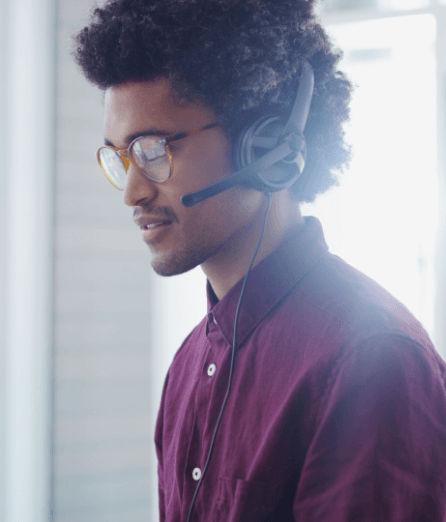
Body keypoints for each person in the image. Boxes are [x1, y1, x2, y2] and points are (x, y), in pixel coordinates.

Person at [74, 0, 446, 520]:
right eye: (122, 157)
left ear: (265, 146)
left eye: (153, 148)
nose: (132, 191)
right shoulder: (188, 365)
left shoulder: (371, 360)